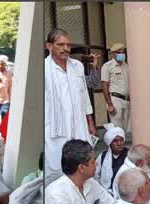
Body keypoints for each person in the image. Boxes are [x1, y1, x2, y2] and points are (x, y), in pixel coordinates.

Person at [45, 28, 96, 174]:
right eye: (60, 45)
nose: (65, 49)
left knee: (83, 165)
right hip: (55, 127)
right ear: (49, 46)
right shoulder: (44, 69)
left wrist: (90, 123)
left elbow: (84, 95)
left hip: (79, 125)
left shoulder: (77, 66)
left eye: (68, 45)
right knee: (58, 168)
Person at [102, 43, 131, 132]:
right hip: (115, 100)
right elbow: (104, 85)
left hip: (127, 100)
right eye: (119, 52)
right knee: (117, 129)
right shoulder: (107, 66)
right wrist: (110, 104)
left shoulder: (126, 66)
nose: (121, 54)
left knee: (127, 129)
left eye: (123, 52)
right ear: (113, 54)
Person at [97, 125, 128, 192]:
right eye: (115, 141)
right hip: (106, 192)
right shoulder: (102, 156)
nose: (119, 143)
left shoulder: (129, 155)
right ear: (109, 143)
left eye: (121, 140)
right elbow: (96, 175)